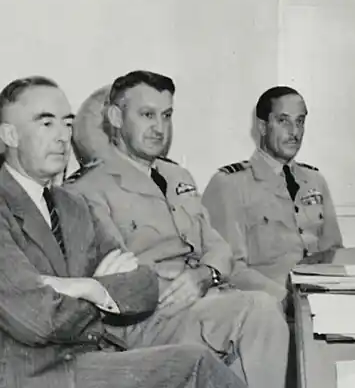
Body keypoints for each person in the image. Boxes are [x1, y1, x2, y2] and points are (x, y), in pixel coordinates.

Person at [0, 76, 244, 388]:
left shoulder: (71, 204)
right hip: (33, 375)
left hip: (88, 359)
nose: (62, 137)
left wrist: (87, 287)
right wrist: (101, 291)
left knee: (197, 361)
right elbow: (38, 320)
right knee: (195, 367)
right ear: (10, 134)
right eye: (46, 124)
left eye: (67, 123)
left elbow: (141, 286)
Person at [65, 70, 288, 387]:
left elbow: (218, 247)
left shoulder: (177, 177)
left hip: (206, 301)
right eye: (147, 115)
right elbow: (115, 280)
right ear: (115, 117)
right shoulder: (86, 191)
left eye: (166, 115)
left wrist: (203, 275)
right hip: (151, 321)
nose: (159, 127)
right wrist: (182, 281)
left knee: (280, 313)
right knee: (258, 310)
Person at [203, 86, 343, 300]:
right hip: (269, 309)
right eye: (283, 121)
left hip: (322, 300)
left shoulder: (314, 180)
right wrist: (289, 301)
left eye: (300, 121)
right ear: (262, 126)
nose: (294, 132)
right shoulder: (229, 184)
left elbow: (334, 252)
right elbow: (230, 269)